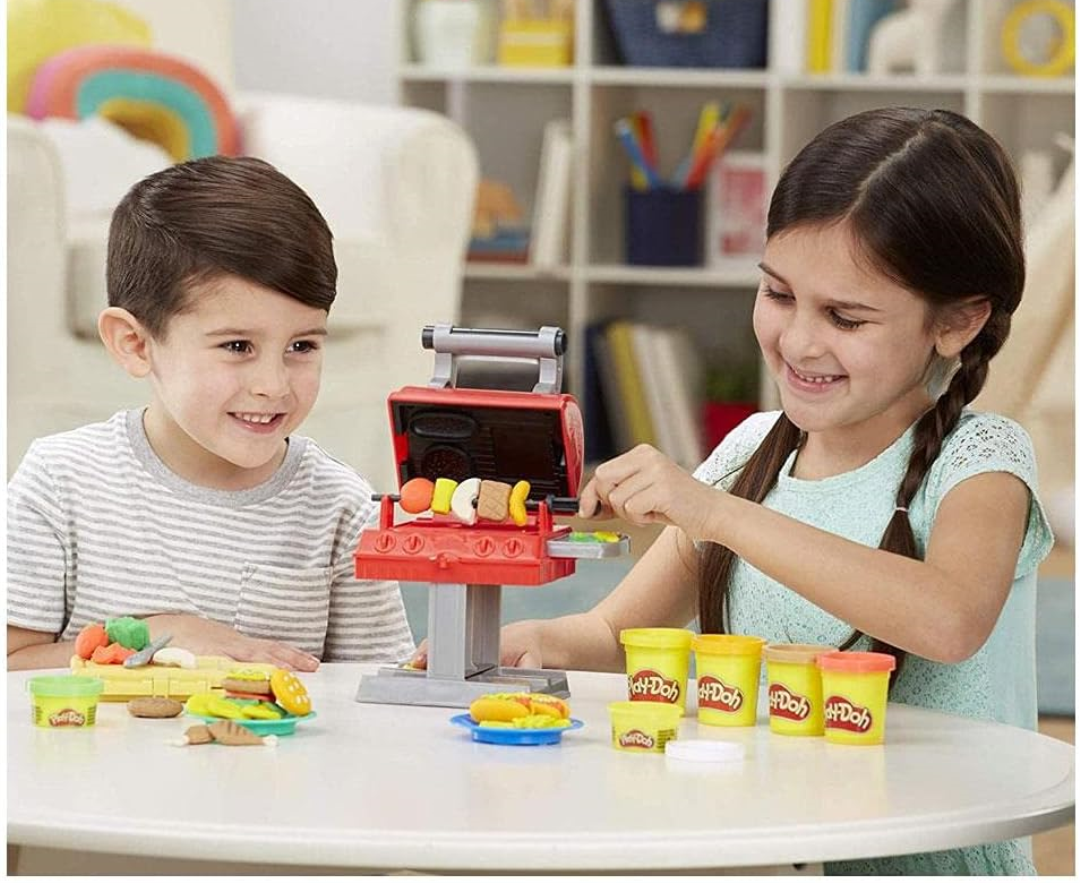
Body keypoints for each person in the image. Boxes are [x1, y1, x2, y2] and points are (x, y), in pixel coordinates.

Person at [415, 107, 1053, 875]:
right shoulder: (753, 451)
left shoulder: (980, 462)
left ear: (958, 322)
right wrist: (528, 644)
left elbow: (949, 620)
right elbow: (616, 634)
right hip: (775, 852)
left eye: (845, 317)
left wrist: (717, 512)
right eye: (779, 294)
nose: (800, 341)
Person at [8, 155, 415, 672]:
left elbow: (376, 687)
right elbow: (11, 662)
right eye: (238, 346)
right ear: (135, 344)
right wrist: (157, 637)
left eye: (302, 345)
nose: (273, 385)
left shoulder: (340, 505)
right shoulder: (60, 481)